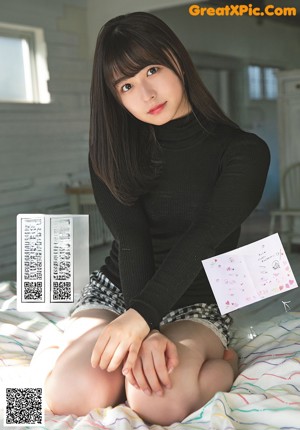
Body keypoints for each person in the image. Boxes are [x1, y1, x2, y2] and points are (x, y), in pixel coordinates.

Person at [30, 11, 270, 426]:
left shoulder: (244, 151)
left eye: (152, 70)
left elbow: (204, 239)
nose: (145, 94)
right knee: (70, 396)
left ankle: (225, 363)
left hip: (196, 296)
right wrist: (142, 327)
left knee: (154, 401)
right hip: (120, 288)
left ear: (176, 59)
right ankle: (64, 347)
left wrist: (143, 322)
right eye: (126, 85)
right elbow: (131, 239)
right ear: (115, 96)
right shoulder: (111, 150)